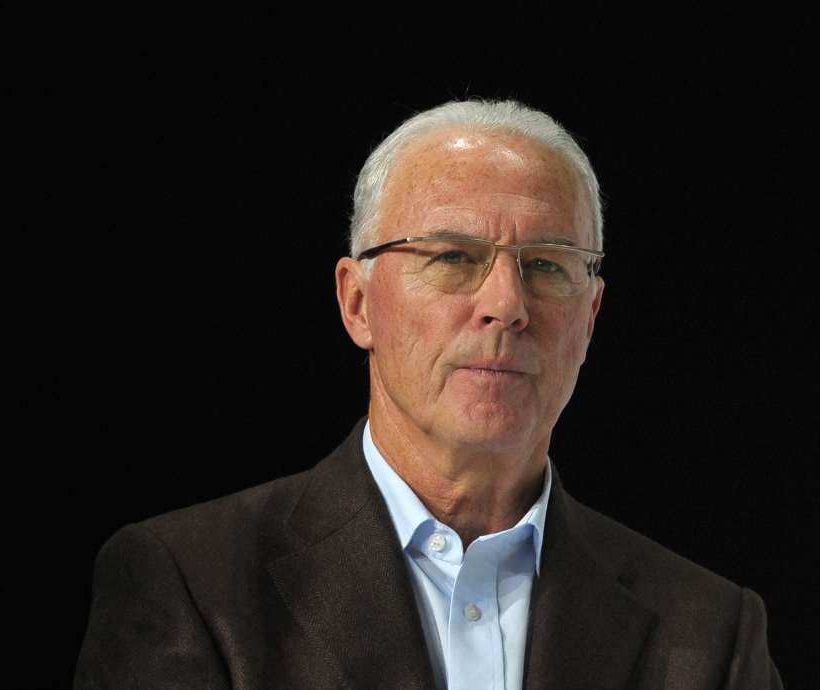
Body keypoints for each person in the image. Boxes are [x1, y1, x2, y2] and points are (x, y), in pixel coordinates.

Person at [74, 100, 782, 689]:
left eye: (545, 265)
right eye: (452, 257)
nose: (506, 305)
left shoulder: (714, 633)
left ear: (590, 317)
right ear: (357, 303)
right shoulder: (193, 586)